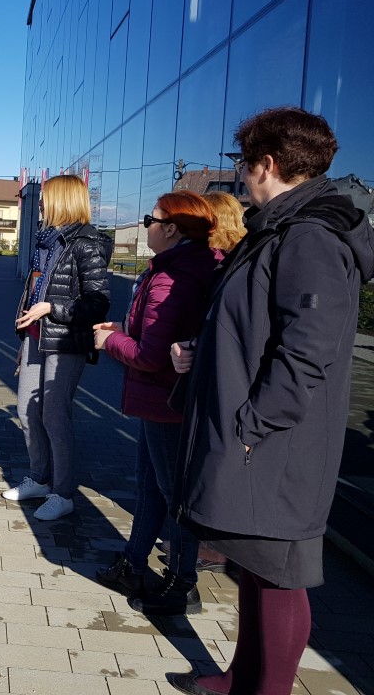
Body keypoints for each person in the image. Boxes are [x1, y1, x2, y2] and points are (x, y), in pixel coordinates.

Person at [167, 107, 374, 695]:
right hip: (257, 430)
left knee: (280, 574)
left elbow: (307, 351)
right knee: (253, 563)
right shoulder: (280, 229)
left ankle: (269, 689)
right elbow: (254, 325)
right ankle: (242, 677)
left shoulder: (311, 237)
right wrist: (201, 349)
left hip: (277, 439)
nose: (241, 174)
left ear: (267, 164)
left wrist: (255, 424)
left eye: (243, 162)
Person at [93, 192, 220, 615]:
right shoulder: (186, 266)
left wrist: (110, 340)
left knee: (172, 494)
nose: (145, 225)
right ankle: (132, 563)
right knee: (151, 488)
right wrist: (124, 326)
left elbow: (149, 356)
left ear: (171, 229)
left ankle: (183, 584)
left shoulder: (172, 276)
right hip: (162, 401)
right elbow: (161, 333)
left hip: (167, 402)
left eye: (151, 219)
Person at [2, 174, 111, 520]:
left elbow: (98, 302)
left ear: (62, 200)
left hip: (66, 343)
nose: (40, 204)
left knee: (54, 417)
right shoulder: (46, 241)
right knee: (25, 410)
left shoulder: (86, 244)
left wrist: (52, 309)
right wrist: (24, 338)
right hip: (36, 337)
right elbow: (31, 294)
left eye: (45, 197)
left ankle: (63, 494)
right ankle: (39, 479)